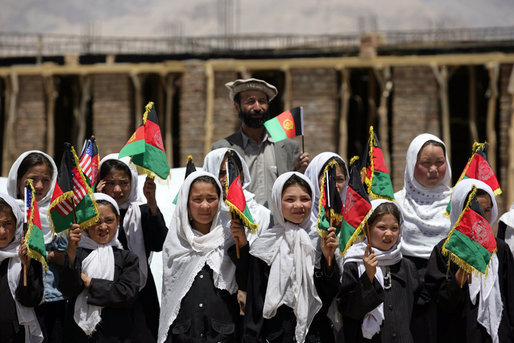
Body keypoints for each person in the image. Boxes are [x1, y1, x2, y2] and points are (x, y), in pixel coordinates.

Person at [247, 172, 339, 343]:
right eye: (290, 200)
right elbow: (255, 304)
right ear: (277, 202)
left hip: (316, 334)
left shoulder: (322, 240)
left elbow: (329, 294)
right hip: (276, 336)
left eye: (305, 199)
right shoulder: (263, 246)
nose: (298, 205)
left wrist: (328, 260)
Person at [425, 178, 514, 343]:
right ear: (460, 211)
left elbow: (510, 297)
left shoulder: (500, 249)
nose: (481, 216)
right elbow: (439, 301)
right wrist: (459, 278)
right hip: (459, 332)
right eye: (475, 210)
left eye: (487, 210)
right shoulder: (445, 250)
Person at [158, 171, 239, 343]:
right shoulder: (175, 243)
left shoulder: (231, 237)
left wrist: (243, 245)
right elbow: (169, 295)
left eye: (211, 199)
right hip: (184, 334)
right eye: (197, 199)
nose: (205, 206)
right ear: (186, 203)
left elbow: (247, 280)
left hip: (224, 334)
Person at [97, 154, 168, 341]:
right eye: (110, 183)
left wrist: (152, 203)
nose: (117, 189)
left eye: (124, 183)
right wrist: (93, 204)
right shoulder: (92, 213)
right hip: (104, 290)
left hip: (140, 294)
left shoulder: (141, 211)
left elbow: (160, 243)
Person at [211, 78, 310, 207]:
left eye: (262, 101)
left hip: (279, 225)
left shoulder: (289, 147)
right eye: (250, 101)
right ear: (237, 107)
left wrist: (299, 171)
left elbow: (296, 190)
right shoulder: (222, 148)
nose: (257, 107)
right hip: (239, 225)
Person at [393, 133, 452, 343]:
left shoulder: (457, 202)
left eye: (439, 162)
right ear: (411, 164)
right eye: (425, 163)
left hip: (449, 287)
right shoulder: (397, 203)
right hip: (407, 288)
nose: (434, 169)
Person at [59, 193, 140, 342]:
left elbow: (126, 294)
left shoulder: (127, 258)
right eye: (96, 221)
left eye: (109, 220)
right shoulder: (77, 253)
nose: (103, 227)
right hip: (78, 335)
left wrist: (90, 283)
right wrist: (70, 252)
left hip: (116, 334)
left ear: (118, 220)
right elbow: (67, 289)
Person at [338, 199, 420, 343]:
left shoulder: (406, 266)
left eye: (394, 228)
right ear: (367, 229)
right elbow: (349, 310)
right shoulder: (354, 263)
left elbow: (418, 313)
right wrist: (368, 277)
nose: (389, 234)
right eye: (382, 227)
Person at [6, 150, 67, 342]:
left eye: (46, 180)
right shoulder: (8, 212)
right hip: (13, 297)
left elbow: (67, 256)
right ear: (18, 179)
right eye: (32, 179)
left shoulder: (59, 213)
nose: (39, 186)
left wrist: (42, 255)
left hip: (51, 298)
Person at [0, 193, 45, 343]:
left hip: (14, 334)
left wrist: (26, 266)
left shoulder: (28, 254)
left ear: (17, 223)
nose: (2, 231)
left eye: (7, 224)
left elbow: (30, 299)